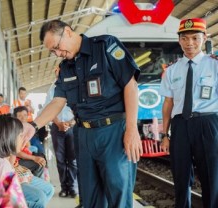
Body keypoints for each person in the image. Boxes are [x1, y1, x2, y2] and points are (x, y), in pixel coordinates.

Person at [35, 20, 142, 208]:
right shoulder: (66, 67)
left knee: (119, 196)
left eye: (57, 47)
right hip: (83, 135)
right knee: (90, 199)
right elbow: (57, 102)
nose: (58, 53)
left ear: (67, 32)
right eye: (53, 52)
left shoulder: (105, 46)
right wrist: (32, 126)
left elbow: (130, 85)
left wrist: (132, 130)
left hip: (113, 132)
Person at [159, 18, 218, 208]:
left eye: (195, 38)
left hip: (207, 124)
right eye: (184, 38)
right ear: (179, 41)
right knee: (181, 178)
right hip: (180, 126)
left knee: (211, 178)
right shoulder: (171, 69)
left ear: (204, 38)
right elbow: (168, 103)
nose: (189, 43)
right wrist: (164, 134)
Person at [0, 115, 54, 208]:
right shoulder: (0, 165)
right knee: (38, 203)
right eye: (20, 136)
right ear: (8, 139)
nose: (23, 139)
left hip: (10, 199)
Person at [44, 68, 78, 199]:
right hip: (56, 127)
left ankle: (73, 187)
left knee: (73, 159)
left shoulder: (75, 86)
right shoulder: (52, 89)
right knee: (60, 159)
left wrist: (71, 123)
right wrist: (58, 123)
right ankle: (64, 187)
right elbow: (49, 108)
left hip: (72, 126)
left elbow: (79, 108)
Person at [14, 106, 46, 177]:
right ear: (15, 118)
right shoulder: (15, 130)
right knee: (39, 163)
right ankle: (34, 182)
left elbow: (27, 145)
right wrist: (34, 158)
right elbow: (17, 152)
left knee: (41, 156)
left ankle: (38, 178)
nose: (23, 118)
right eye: (20, 116)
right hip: (16, 160)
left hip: (22, 154)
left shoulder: (26, 128)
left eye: (25, 115)